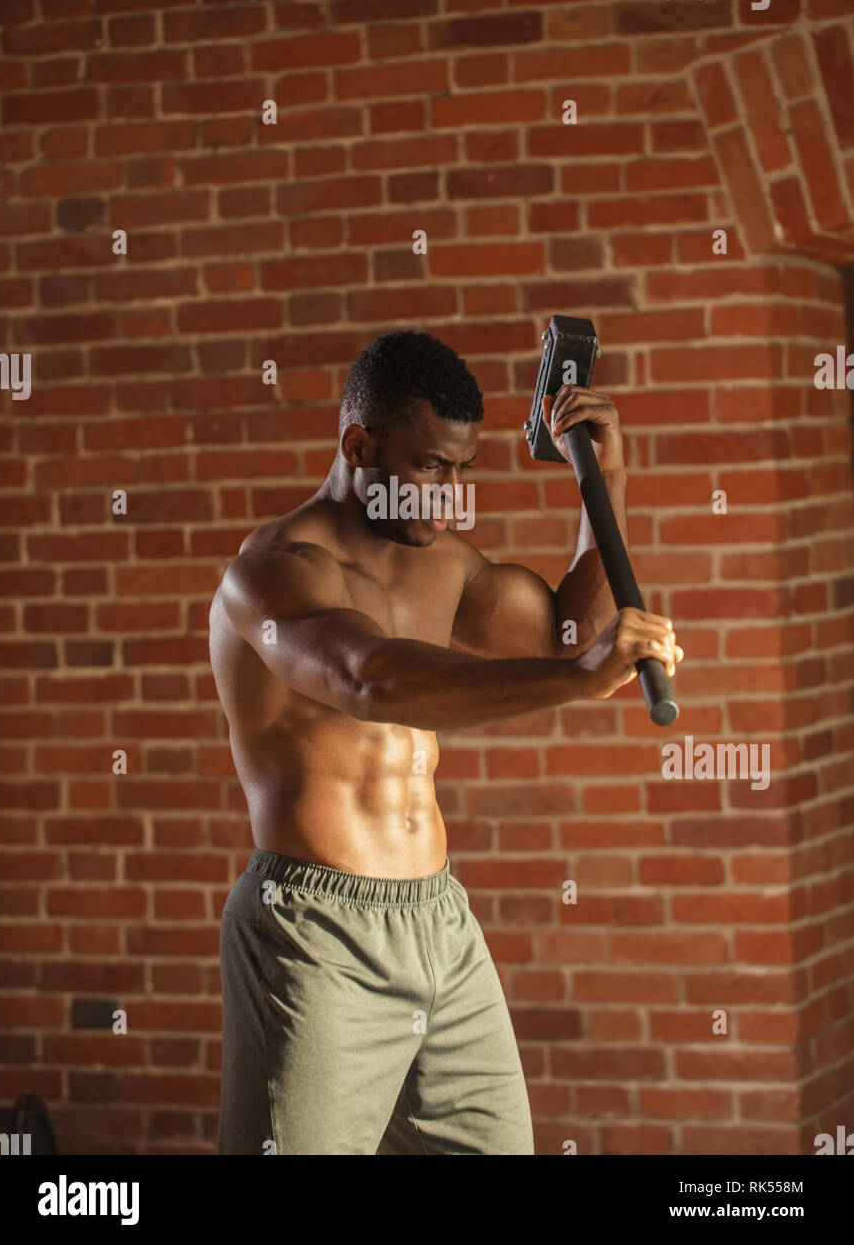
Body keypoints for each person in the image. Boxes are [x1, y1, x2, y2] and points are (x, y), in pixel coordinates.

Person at [210, 329, 681, 1155]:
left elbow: (566, 632)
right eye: (430, 467)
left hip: (440, 922)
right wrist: (580, 680)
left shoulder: (444, 564)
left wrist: (602, 484)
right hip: (317, 930)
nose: (450, 495)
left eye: (464, 470)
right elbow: (370, 680)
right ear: (359, 444)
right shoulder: (273, 571)